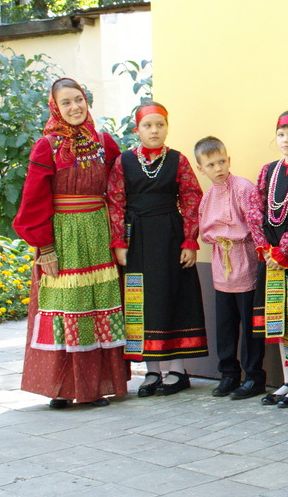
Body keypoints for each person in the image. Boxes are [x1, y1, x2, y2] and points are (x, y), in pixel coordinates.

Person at [13, 77, 130, 408]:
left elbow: (119, 189)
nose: (75, 107)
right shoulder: (46, 146)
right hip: (63, 237)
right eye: (66, 102)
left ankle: (93, 387)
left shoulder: (104, 143)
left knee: (98, 306)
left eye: (78, 99)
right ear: (55, 107)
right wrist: (45, 247)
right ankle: (63, 389)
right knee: (67, 307)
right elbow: (34, 200)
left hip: (99, 233)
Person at [107, 102, 208, 395]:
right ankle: (152, 371)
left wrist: (190, 241)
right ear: (137, 129)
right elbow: (115, 202)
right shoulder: (124, 161)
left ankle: (177, 370)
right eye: (148, 125)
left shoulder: (178, 160)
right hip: (137, 239)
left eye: (160, 125)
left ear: (167, 127)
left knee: (174, 296)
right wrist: (119, 243)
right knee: (143, 302)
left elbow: (192, 199)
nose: (154, 130)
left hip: (170, 238)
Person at [246, 110, 288, 408]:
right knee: (278, 319)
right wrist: (264, 247)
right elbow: (254, 210)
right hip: (270, 255)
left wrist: (284, 250)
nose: (286, 140)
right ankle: (287, 379)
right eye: (281, 134)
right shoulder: (268, 170)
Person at [195, 136, 265, 399]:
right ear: (201, 169)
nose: (218, 168)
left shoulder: (244, 188)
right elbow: (205, 232)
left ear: (229, 160)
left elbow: (255, 225)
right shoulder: (207, 198)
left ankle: (254, 376)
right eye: (211, 165)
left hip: (245, 262)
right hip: (221, 266)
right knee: (225, 325)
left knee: (250, 325)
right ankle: (229, 374)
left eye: (222, 161)